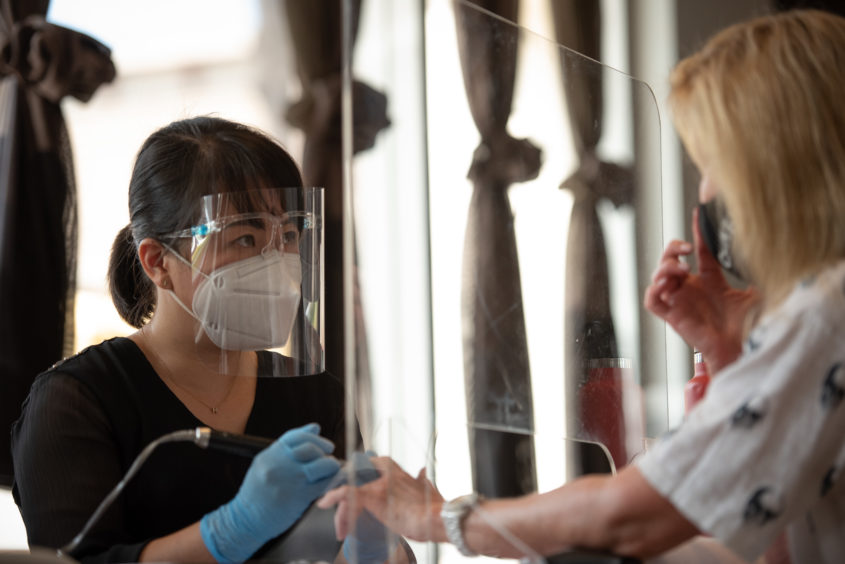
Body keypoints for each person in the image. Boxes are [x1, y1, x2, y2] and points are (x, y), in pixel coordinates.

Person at [318, 9, 845, 563]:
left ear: (775, 170)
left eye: (714, 165)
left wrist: (437, 517)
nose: (707, 190)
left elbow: (629, 516)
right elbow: (771, 532)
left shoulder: (825, 313)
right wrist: (725, 349)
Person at [10, 116, 387, 564]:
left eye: (288, 235)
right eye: (245, 237)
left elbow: (354, 543)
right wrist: (232, 529)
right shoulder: (78, 401)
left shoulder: (315, 395)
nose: (278, 262)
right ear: (158, 262)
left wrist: (386, 547)